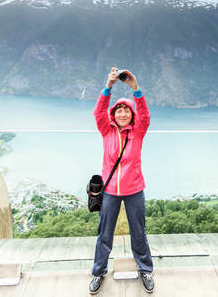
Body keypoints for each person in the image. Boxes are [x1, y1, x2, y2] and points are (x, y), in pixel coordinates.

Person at [89, 67, 155, 294]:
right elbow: (98, 112)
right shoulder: (106, 131)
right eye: (119, 111)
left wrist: (136, 89)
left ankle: (145, 269)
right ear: (114, 114)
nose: (124, 114)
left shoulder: (138, 132)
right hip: (110, 192)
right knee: (104, 235)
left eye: (127, 111)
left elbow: (145, 114)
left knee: (139, 233)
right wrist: (108, 86)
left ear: (132, 115)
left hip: (134, 189)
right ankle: (98, 272)